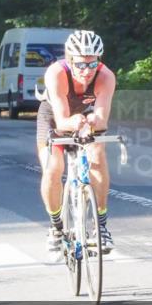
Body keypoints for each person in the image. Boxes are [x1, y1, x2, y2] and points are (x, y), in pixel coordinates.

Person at [36, 30, 117, 254]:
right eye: (81, 65)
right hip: (54, 118)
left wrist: (91, 122)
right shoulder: (56, 73)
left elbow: (101, 118)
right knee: (53, 168)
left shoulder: (106, 76)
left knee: (97, 158)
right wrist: (77, 122)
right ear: (70, 60)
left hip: (85, 118)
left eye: (92, 65)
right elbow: (62, 121)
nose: (86, 71)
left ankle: (100, 227)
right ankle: (56, 227)